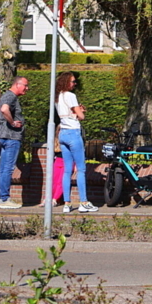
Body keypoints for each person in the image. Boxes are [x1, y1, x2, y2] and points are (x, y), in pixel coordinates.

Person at [55, 72, 98, 213]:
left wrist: (75, 113)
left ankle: (67, 203)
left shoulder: (57, 96)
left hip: (63, 133)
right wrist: (80, 111)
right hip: (73, 133)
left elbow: (68, 116)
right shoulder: (70, 95)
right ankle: (83, 202)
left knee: (67, 170)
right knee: (81, 169)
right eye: (73, 81)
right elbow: (81, 116)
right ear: (67, 82)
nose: (75, 83)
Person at [0, 76, 28, 208]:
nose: (27, 88)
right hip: (11, 137)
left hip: (5, 137)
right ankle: (5, 199)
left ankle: (3, 198)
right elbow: (4, 109)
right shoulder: (11, 97)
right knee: (7, 169)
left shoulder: (5, 95)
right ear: (17, 84)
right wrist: (13, 122)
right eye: (25, 85)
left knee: (3, 169)